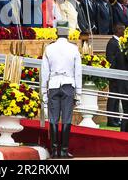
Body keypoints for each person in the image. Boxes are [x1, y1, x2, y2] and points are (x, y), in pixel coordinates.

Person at [41, 21, 82, 159]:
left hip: (53, 84)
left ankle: (54, 151)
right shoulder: (73, 48)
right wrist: (79, 92)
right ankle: (63, 150)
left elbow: (44, 72)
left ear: (56, 32)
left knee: (53, 118)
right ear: (67, 32)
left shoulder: (49, 48)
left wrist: (43, 90)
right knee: (66, 118)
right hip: (68, 84)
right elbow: (78, 72)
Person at [105, 23, 125, 128]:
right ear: (118, 30)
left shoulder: (118, 42)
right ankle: (111, 119)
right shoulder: (112, 42)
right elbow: (109, 58)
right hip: (114, 74)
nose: (124, 32)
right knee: (113, 98)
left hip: (119, 74)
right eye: (122, 30)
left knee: (117, 97)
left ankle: (116, 118)